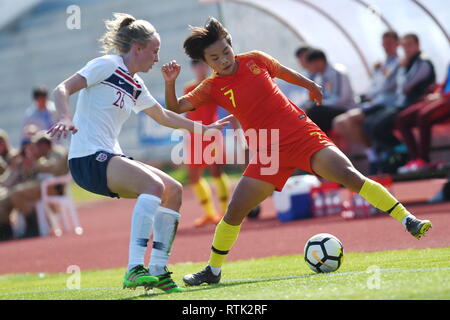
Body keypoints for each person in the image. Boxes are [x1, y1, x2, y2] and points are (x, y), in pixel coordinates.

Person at [161, 18, 432, 286]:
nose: (223, 60)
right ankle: (213, 270)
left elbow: (283, 72)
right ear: (206, 63)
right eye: (215, 58)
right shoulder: (211, 87)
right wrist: (170, 82)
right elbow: (176, 107)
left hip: (301, 136)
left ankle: (408, 220)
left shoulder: (255, 59)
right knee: (234, 211)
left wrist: (310, 86)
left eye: (226, 52)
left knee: (350, 175)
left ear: (232, 47)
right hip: (268, 152)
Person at [47, 13, 230, 292]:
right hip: (87, 158)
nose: (157, 58)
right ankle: (134, 268)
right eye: (154, 51)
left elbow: (164, 116)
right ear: (138, 49)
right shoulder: (107, 65)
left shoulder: (135, 83)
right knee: (153, 186)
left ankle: (157, 271)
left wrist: (205, 129)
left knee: (174, 190)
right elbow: (62, 89)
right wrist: (64, 116)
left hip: (108, 157)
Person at [333, 30, 401, 173]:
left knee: (348, 120)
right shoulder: (381, 65)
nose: (386, 47)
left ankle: (376, 156)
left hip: (386, 103)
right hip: (375, 103)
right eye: (384, 44)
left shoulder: (400, 63)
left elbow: (388, 87)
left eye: (389, 43)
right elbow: (374, 87)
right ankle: (372, 154)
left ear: (397, 44)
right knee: (339, 123)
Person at [364, 34, 436, 157]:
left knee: (389, 123)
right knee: (369, 124)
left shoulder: (422, 62)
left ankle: (410, 155)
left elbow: (403, 87)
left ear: (417, 45)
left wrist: (402, 68)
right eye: (404, 46)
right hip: (403, 104)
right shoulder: (410, 62)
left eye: (410, 45)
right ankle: (396, 154)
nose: (406, 49)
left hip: (415, 104)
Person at [183, 59, 230, 227]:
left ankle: (225, 213)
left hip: (211, 133)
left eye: (202, 64)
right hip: (194, 135)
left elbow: (230, 106)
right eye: (195, 64)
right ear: (193, 68)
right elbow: (187, 114)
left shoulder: (214, 84)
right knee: (194, 176)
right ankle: (209, 214)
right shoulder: (188, 88)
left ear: (207, 66)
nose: (199, 67)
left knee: (216, 171)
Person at [395, 63, 450, 172]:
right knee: (402, 119)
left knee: (423, 116)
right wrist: (436, 93)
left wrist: (441, 96)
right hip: (441, 97)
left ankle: (424, 160)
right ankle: (416, 159)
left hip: (447, 100)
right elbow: (445, 83)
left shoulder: (423, 62)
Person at [304, 49, 356, 133]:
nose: (311, 68)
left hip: (345, 108)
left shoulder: (337, 72)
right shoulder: (320, 77)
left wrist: (320, 104)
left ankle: (320, 142)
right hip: (332, 109)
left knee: (315, 112)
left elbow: (342, 99)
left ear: (319, 61)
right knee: (309, 113)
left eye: (311, 64)